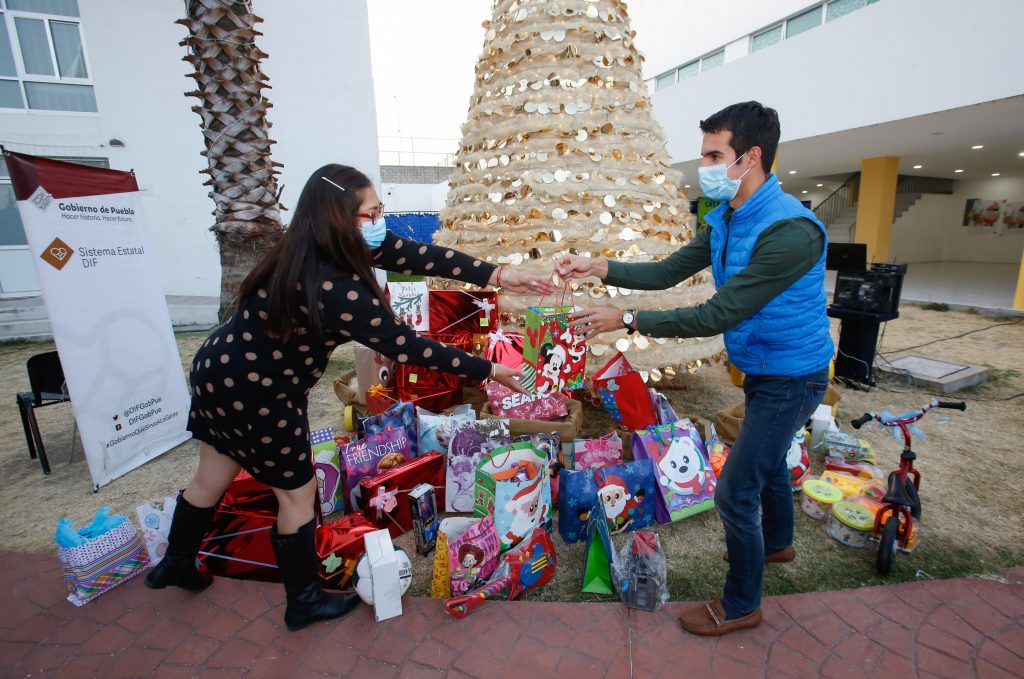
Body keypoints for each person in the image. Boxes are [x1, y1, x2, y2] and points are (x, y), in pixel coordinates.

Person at [146, 164, 552, 632]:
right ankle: (303, 603)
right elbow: (407, 346)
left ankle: (175, 563)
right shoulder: (334, 287)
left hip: (219, 370)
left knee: (210, 475)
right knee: (298, 498)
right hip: (260, 392)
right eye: (371, 213)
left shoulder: (309, 246)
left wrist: (499, 274)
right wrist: (493, 370)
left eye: (381, 209)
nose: (381, 220)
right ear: (339, 219)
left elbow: (422, 256)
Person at [557, 101, 832, 636]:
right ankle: (778, 545)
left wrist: (626, 318)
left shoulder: (792, 231)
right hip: (762, 365)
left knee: (735, 488)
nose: (703, 165)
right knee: (767, 456)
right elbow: (666, 271)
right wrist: (599, 265)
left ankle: (741, 605)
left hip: (794, 373)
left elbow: (720, 312)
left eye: (714, 154)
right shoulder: (726, 217)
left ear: (750, 157)